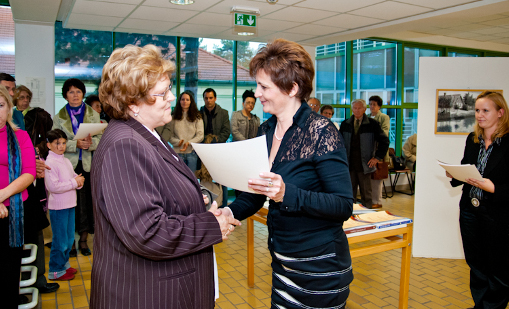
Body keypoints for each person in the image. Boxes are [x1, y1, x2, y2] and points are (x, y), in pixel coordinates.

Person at [91, 44, 241, 309]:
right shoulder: (125, 145)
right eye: (162, 94)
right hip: (148, 293)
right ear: (131, 103)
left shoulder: (146, 134)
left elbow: (163, 190)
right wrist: (211, 226)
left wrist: (203, 201)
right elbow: (147, 232)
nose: (172, 98)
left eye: (169, 89)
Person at [216, 39, 354, 308]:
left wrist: (286, 193)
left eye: (264, 87)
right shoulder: (266, 131)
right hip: (282, 264)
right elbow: (256, 193)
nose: (257, 94)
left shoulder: (321, 132)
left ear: (292, 88)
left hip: (320, 267)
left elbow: (342, 204)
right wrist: (229, 213)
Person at [447, 91, 509, 309]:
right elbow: (467, 167)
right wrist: (454, 174)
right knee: (476, 264)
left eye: (485, 111)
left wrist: (492, 187)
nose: (479, 115)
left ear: (500, 113)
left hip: (497, 214)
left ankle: (493, 306)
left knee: (498, 267)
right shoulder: (473, 140)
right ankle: (480, 305)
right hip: (470, 211)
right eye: (477, 111)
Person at [13, 85, 59, 293]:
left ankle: (37, 279)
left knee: (36, 231)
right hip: (12, 191)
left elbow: (30, 152)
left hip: (27, 186)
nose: (22, 100)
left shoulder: (28, 120)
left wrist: (34, 161)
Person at [52, 78, 101, 257]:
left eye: (78, 91)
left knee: (86, 204)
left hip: (87, 166)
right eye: (71, 92)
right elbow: (54, 142)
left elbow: (100, 139)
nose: (75, 95)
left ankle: (83, 241)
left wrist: (90, 144)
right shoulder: (58, 118)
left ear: (83, 94)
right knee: (69, 204)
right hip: (67, 165)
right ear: (65, 95)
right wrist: (75, 145)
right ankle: (70, 243)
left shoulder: (93, 116)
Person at [0, 85, 36, 308]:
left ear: (9, 108)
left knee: (9, 272)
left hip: (13, 212)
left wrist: (2, 196)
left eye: (1, 105)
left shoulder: (21, 137)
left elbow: (29, 172)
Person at [42, 129, 84, 281]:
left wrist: (78, 181)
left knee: (69, 239)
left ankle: (64, 265)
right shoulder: (50, 163)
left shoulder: (65, 160)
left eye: (64, 143)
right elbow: (54, 187)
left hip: (70, 204)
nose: (61, 146)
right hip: (58, 208)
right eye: (57, 143)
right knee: (60, 240)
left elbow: (73, 178)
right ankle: (55, 270)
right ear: (49, 145)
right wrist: (75, 182)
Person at [340, 99, 389, 209]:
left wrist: (377, 158)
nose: (357, 110)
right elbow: (339, 143)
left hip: (365, 165)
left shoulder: (373, 124)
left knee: (367, 194)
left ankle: (367, 216)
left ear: (364, 109)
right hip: (349, 165)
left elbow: (384, 141)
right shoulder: (345, 124)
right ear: (352, 109)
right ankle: (350, 216)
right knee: (349, 194)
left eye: (359, 108)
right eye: (355, 108)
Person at [157, 90, 204, 172]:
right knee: (178, 179)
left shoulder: (197, 117)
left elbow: (200, 135)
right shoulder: (173, 117)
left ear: (191, 102)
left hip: (192, 153)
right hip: (177, 153)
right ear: (179, 101)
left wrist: (188, 143)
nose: (184, 101)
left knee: (191, 179)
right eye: (182, 99)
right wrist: (178, 142)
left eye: (187, 99)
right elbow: (170, 135)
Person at [200, 88, 230, 206]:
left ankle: (223, 205)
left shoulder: (224, 113)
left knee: (222, 179)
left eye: (211, 98)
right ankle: (207, 205)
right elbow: (198, 132)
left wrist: (215, 140)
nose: (208, 100)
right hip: (204, 151)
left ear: (215, 98)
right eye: (206, 98)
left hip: (219, 150)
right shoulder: (199, 113)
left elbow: (226, 131)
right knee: (205, 179)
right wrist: (206, 141)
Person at [367, 95, 390, 208]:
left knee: (377, 178)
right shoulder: (366, 117)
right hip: (367, 151)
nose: (372, 106)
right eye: (370, 104)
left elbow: (384, 133)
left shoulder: (384, 117)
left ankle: (377, 201)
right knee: (369, 179)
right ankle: (369, 200)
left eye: (374, 104)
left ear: (379, 106)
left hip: (379, 152)